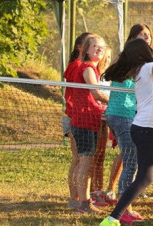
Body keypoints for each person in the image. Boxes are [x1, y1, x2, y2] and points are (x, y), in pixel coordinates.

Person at [99, 38, 153, 226]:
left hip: (148, 128)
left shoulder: (146, 71)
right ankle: (112, 219)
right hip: (145, 129)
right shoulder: (148, 67)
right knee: (145, 177)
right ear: (143, 52)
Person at [67, 34, 110, 214]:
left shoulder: (91, 67)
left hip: (85, 119)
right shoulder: (88, 68)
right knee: (85, 163)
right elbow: (96, 93)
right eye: (94, 47)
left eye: (101, 47)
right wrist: (114, 100)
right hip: (83, 120)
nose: (99, 49)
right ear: (85, 50)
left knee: (82, 162)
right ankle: (83, 202)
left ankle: (78, 200)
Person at [63, 31, 93, 209]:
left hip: (78, 116)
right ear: (80, 47)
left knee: (79, 159)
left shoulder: (82, 65)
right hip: (74, 117)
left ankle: (77, 197)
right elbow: (73, 93)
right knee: (79, 160)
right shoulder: (77, 65)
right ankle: (75, 198)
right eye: (90, 44)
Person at [91, 46, 115, 207]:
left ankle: (99, 189)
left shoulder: (108, 77)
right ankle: (93, 190)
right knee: (94, 157)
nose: (106, 60)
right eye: (105, 57)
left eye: (109, 58)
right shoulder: (94, 76)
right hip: (94, 119)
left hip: (106, 119)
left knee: (101, 156)